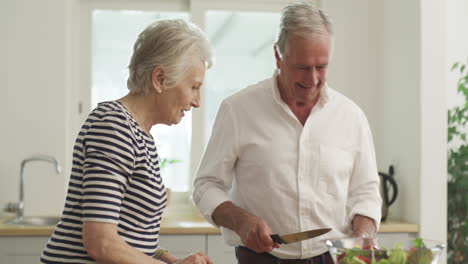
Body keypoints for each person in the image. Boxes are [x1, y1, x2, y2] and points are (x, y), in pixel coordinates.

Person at [193, 3, 382, 264]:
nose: (313, 79)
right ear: (278, 56)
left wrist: (363, 233)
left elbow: (366, 192)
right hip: (261, 258)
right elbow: (206, 186)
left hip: (334, 257)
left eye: (322, 66)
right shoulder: (238, 110)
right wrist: (241, 221)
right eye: (302, 67)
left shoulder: (351, 117)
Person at [40, 19, 213, 264]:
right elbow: (101, 243)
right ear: (160, 79)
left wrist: (169, 259)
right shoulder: (114, 126)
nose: (197, 101)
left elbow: (131, 236)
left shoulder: (141, 134)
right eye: (194, 87)